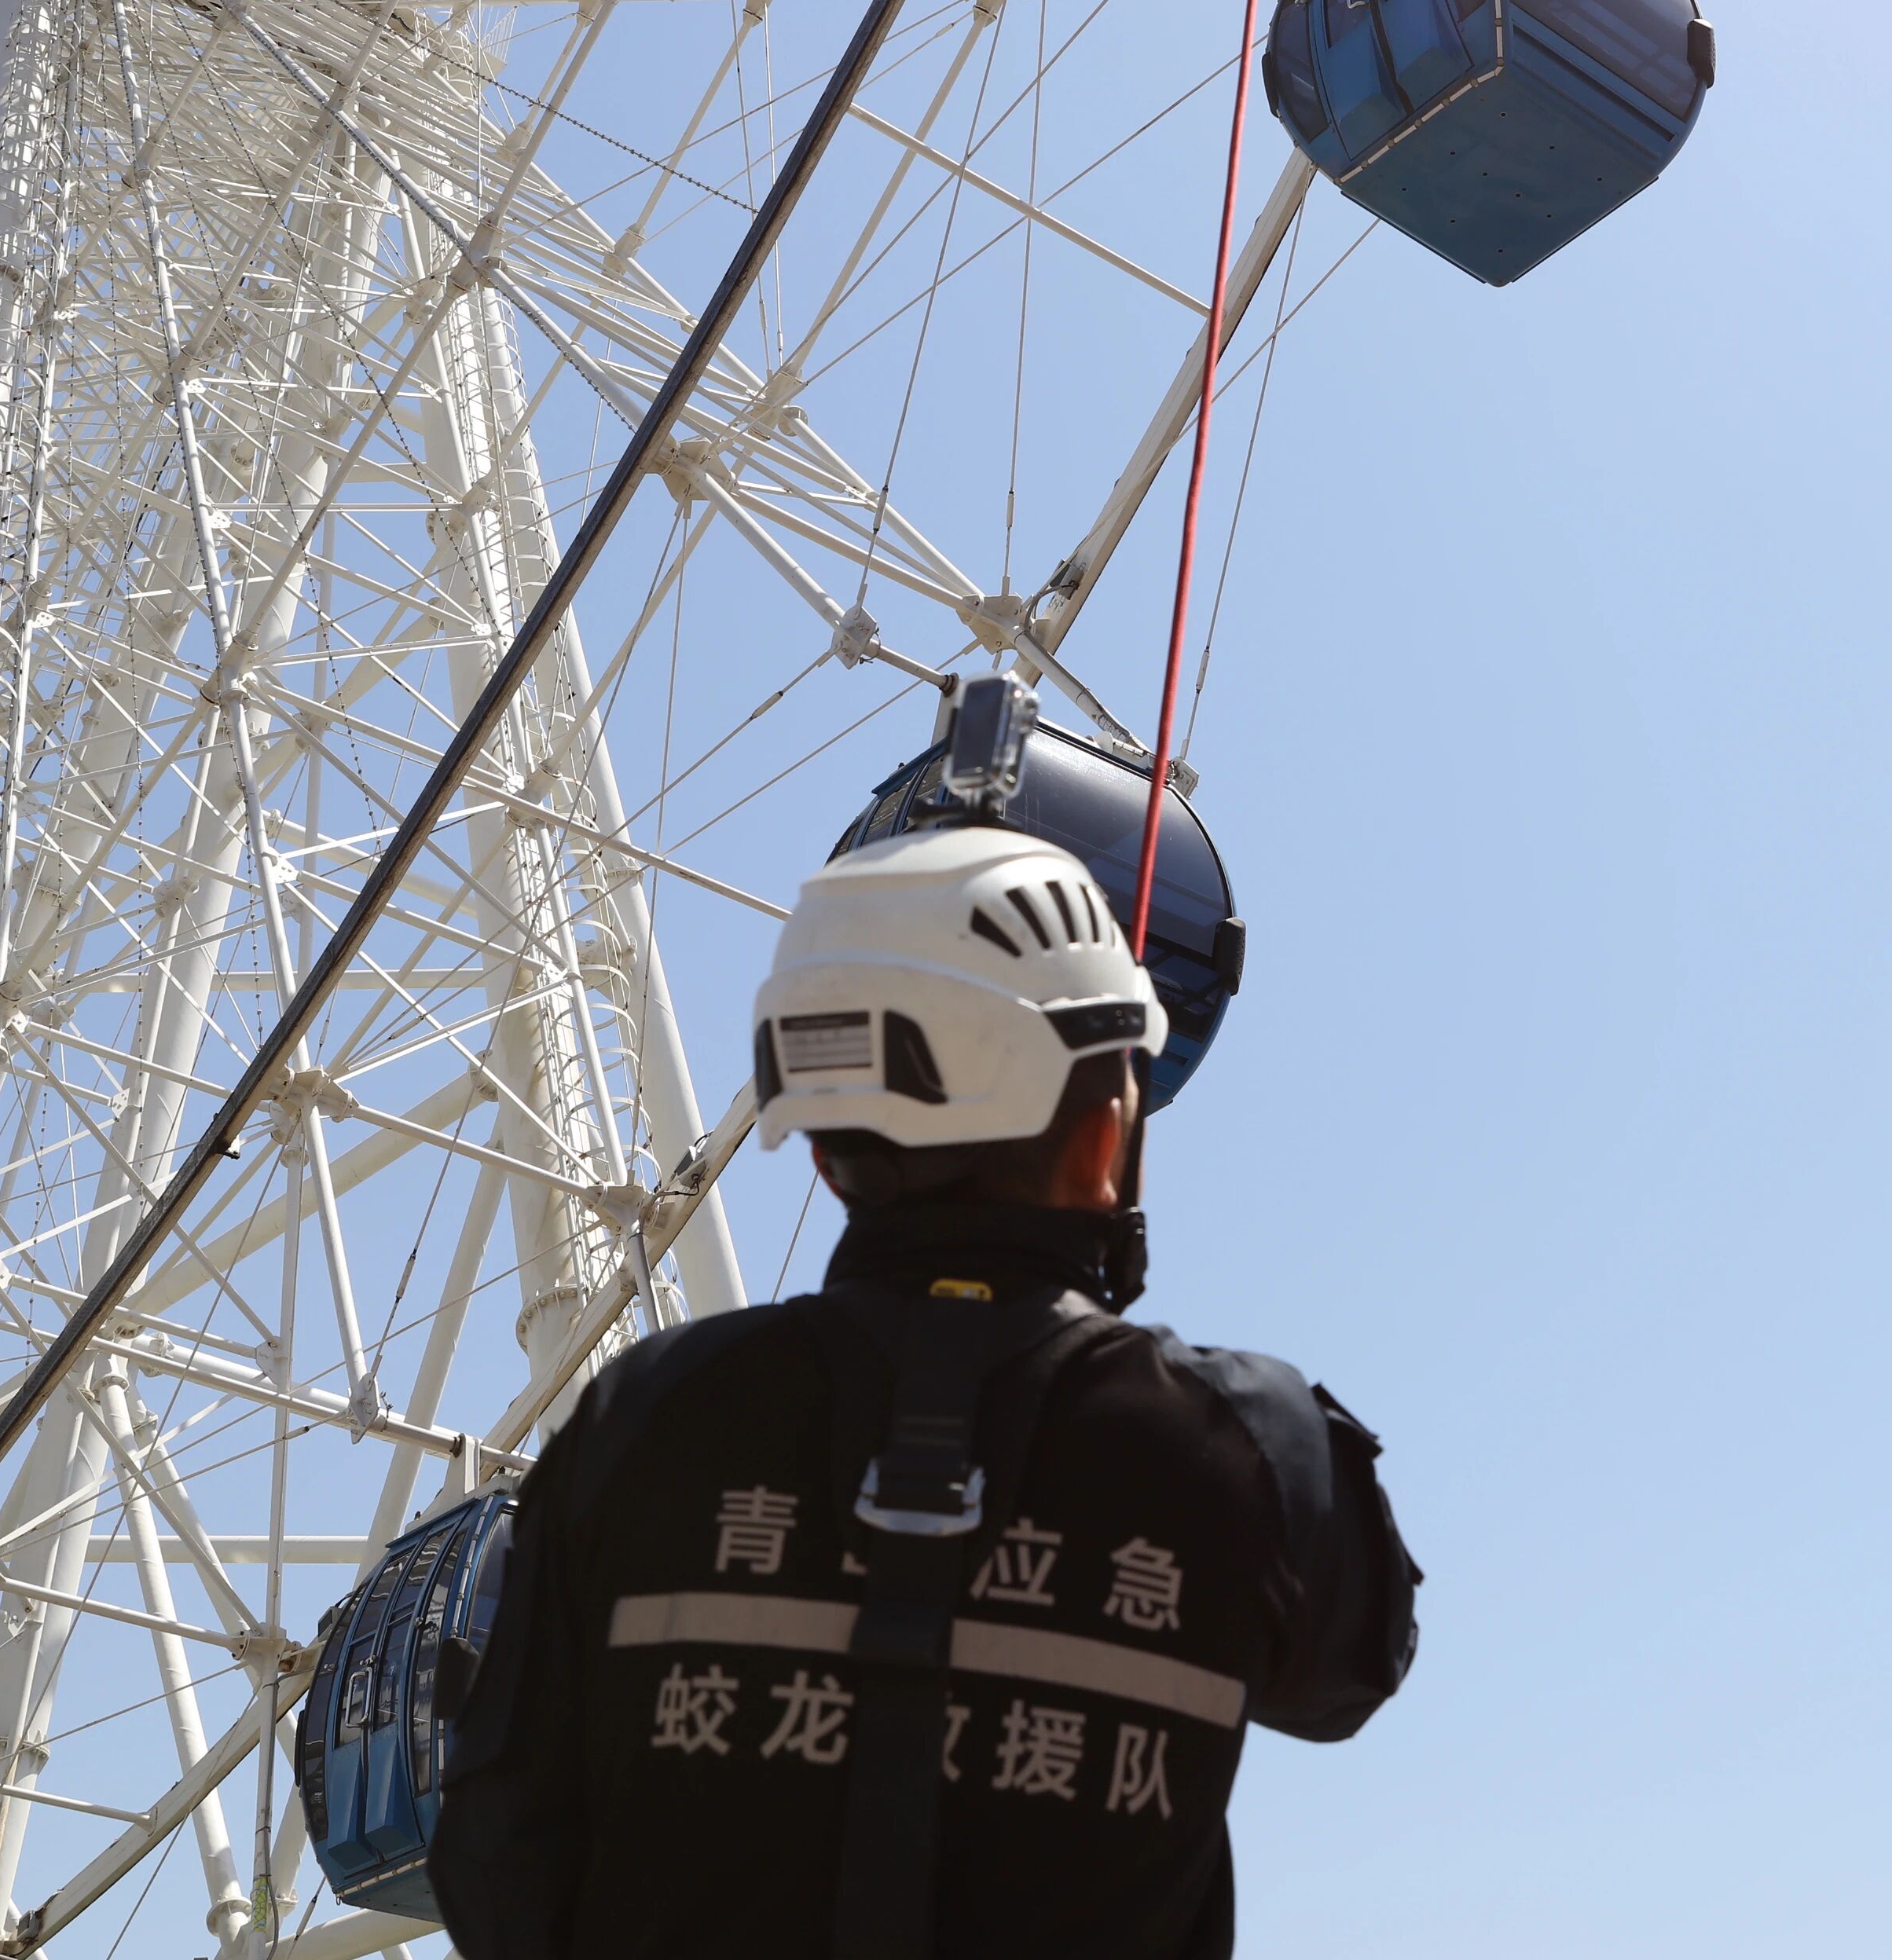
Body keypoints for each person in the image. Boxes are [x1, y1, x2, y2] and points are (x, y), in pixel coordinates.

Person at [428, 816, 1420, 1960]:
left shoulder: (641, 1422)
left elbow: (500, 1851)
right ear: (1105, 1140)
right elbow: (1350, 1676)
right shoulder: (1256, 1446)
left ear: (818, 1147)